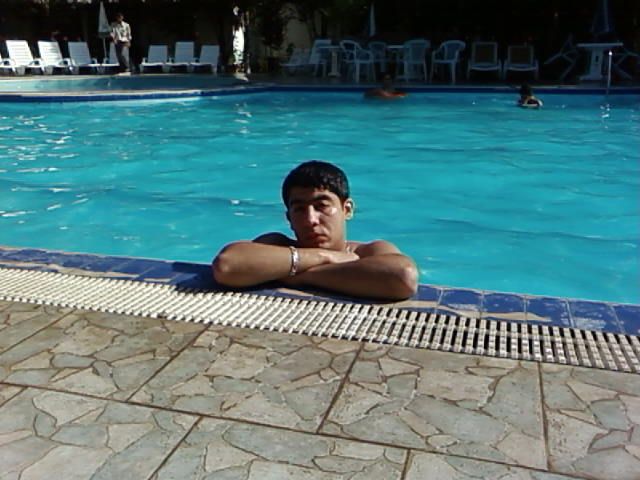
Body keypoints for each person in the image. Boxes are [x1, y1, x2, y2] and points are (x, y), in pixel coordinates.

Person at [212, 161, 418, 300]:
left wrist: (304, 276)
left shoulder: (368, 252)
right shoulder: (278, 244)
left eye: (322, 206)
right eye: (299, 209)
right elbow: (227, 265)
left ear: (347, 210)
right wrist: (324, 257)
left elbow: (403, 277)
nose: (311, 219)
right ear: (289, 218)